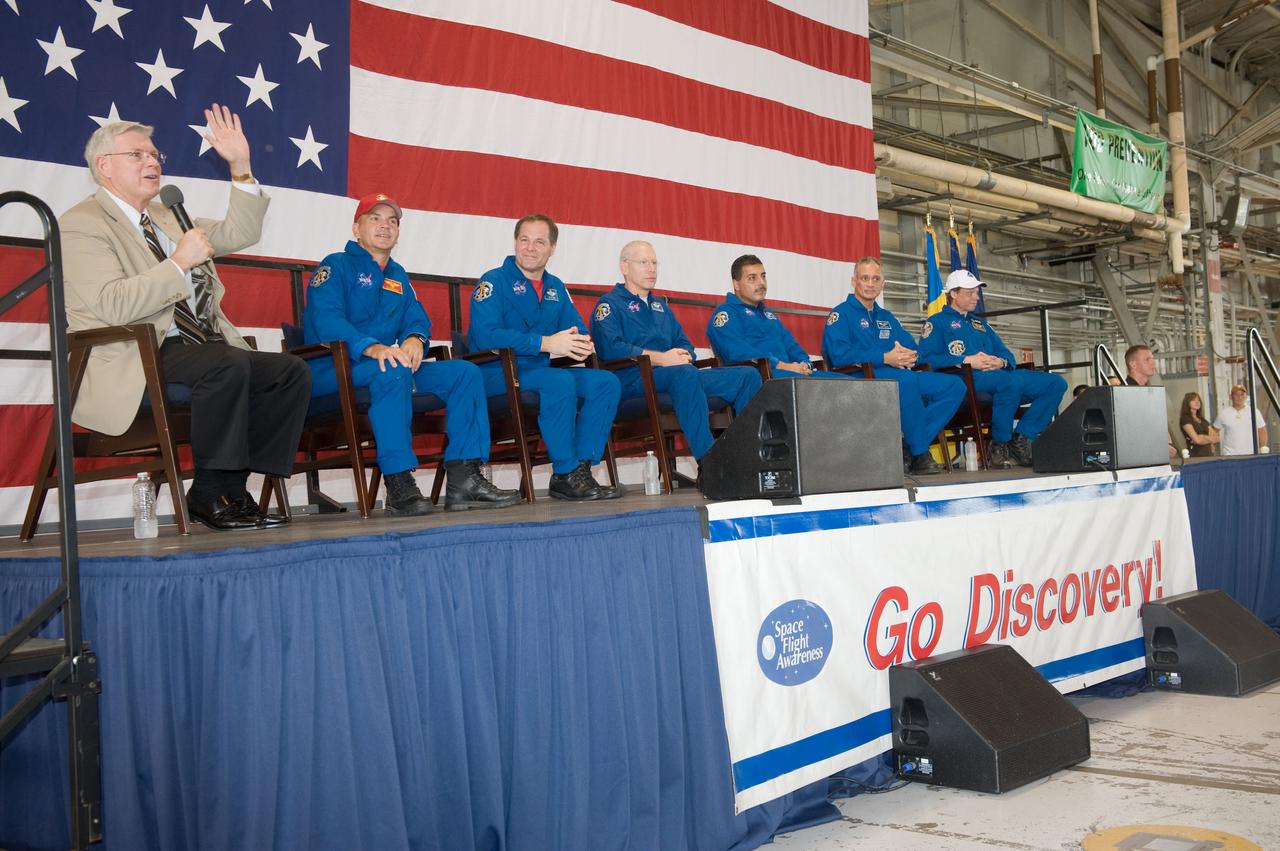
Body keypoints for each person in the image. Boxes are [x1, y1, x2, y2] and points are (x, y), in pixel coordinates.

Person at [61, 104, 310, 531]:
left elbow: (240, 232)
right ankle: (209, 491)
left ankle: (235, 486)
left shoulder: (166, 216)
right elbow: (111, 306)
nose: (153, 161)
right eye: (137, 154)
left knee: (289, 372)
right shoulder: (81, 224)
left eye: (155, 154)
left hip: (195, 349)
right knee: (226, 363)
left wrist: (241, 165)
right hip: (132, 352)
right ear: (104, 166)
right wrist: (177, 263)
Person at [303, 194, 521, 515]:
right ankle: (399, 481)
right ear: (356, 228)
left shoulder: (397, 275)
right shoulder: (335, 265)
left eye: (392, 221)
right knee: (392, 370)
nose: (385, 226)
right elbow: (327, 320)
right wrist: (370, 346)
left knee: (465, 373)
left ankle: (465, 479)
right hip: (334, 368)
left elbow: (416, 318)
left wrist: (416, 339)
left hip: (387, 366)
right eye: (375, 218)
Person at [468, 214, 622, 500]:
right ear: (515, 242)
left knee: (606, 382)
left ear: (552, 248)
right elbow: (487, 335)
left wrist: (581, 343)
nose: (530, 247)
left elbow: (579, 329)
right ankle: (565, 471)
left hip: (540, 370)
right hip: (497, 372)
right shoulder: (493, 281)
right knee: (559, 381)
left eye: (540, 242)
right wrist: (545, 343)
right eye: (524, 240)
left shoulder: (555, 288)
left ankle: (580, 469)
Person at [590, 240, 761, 465]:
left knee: (747, 376)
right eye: (643, 262)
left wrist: (684, 355)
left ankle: (749, 459)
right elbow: (611, 348)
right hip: (632, 379)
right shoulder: (609, 305)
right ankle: (710, 462)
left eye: (654, 263)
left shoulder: (661, 307)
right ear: (624, 267)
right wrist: (663, 359)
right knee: (685, 374)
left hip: (674, 376)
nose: (651, 269)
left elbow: (684, 343)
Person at [822, 257, 964, 475]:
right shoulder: (840, 314)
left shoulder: (887, 317)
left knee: (954, 385)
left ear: (883, 284)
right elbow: (840, 356)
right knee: (905, 381)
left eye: (875, 279)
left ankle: (907, 444)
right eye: (865, 278)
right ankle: (919, 453)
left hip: (896, 375)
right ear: (854, 281)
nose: (870, 283)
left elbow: (911, 347)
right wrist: (885, 357)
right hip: (861, 377)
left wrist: (908, 357)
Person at [918, 269, 1067, 468]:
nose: (976, 296)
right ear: (953, 293)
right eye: (970, 292)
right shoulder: (936, 322)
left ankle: (1022, 439)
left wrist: (1001, 362)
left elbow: (1008, 356)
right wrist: (966, 359)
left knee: (1056, 383)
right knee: (1010, 382)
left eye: (976, 292)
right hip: (968, 379)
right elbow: (927, 359)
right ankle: (998, 443)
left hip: (1001, 377)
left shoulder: (981, 324)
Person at [706, 255, 850, 379]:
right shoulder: (725, 315)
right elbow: (739, 353)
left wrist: (804, 365)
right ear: (736, 284)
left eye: (763, 276)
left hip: (791, 375)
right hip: (762, 379)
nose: (761, 283)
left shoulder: (769, 315)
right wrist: (783, 366)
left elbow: (793, 348)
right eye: (752, 278)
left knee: (847, 383)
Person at [1215, 384, 1268, 456]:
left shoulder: (1254, 412)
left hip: (1251, 454)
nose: (1239, 397)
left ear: (1246, 396)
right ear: (1231, 397)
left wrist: (1263, 447)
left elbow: (1262, 430)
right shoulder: (1224, 413)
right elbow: (1214, 430)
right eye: (1236, 395)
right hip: (1230, 456)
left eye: (1242, 395)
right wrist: (1213, 445)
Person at [1178, 392, 1218, 458]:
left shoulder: (1202, 419)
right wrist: (1208, 440)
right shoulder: (1185, 419)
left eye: (1198, 400)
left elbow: (1216, 438)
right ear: (1187, 403)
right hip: (1195, 455)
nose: (1197, 402)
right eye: (1193, 400)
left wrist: (1202, 437)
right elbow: (1197, 440)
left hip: (1209, 455)